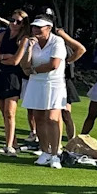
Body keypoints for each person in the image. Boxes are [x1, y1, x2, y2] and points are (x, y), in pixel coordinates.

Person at [21, 17, 67, 169]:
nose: (35, 30)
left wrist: (33, 69)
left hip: (54, 83)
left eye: (39, 28)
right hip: (36, 83)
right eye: (34, 27)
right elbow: (24, 66)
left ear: (49, 28)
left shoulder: (57, 42)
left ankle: (55, 155)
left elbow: (54, 64)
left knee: (52, 118)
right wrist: (29, 48)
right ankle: (45, 151)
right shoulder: (31, 42)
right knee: (38, 117)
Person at [0, 10, 30, 155]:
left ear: (23, 24)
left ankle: (9, 146)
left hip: (13, 76)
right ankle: (14, 143)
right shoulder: (2, 35)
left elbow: (15, 61)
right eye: (12, 20)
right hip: (0, 74)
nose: (14, 23)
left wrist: (2, 57)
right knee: (3, 112)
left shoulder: (24, 38)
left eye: (18, 21)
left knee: (9, 113)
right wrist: (3, 56)